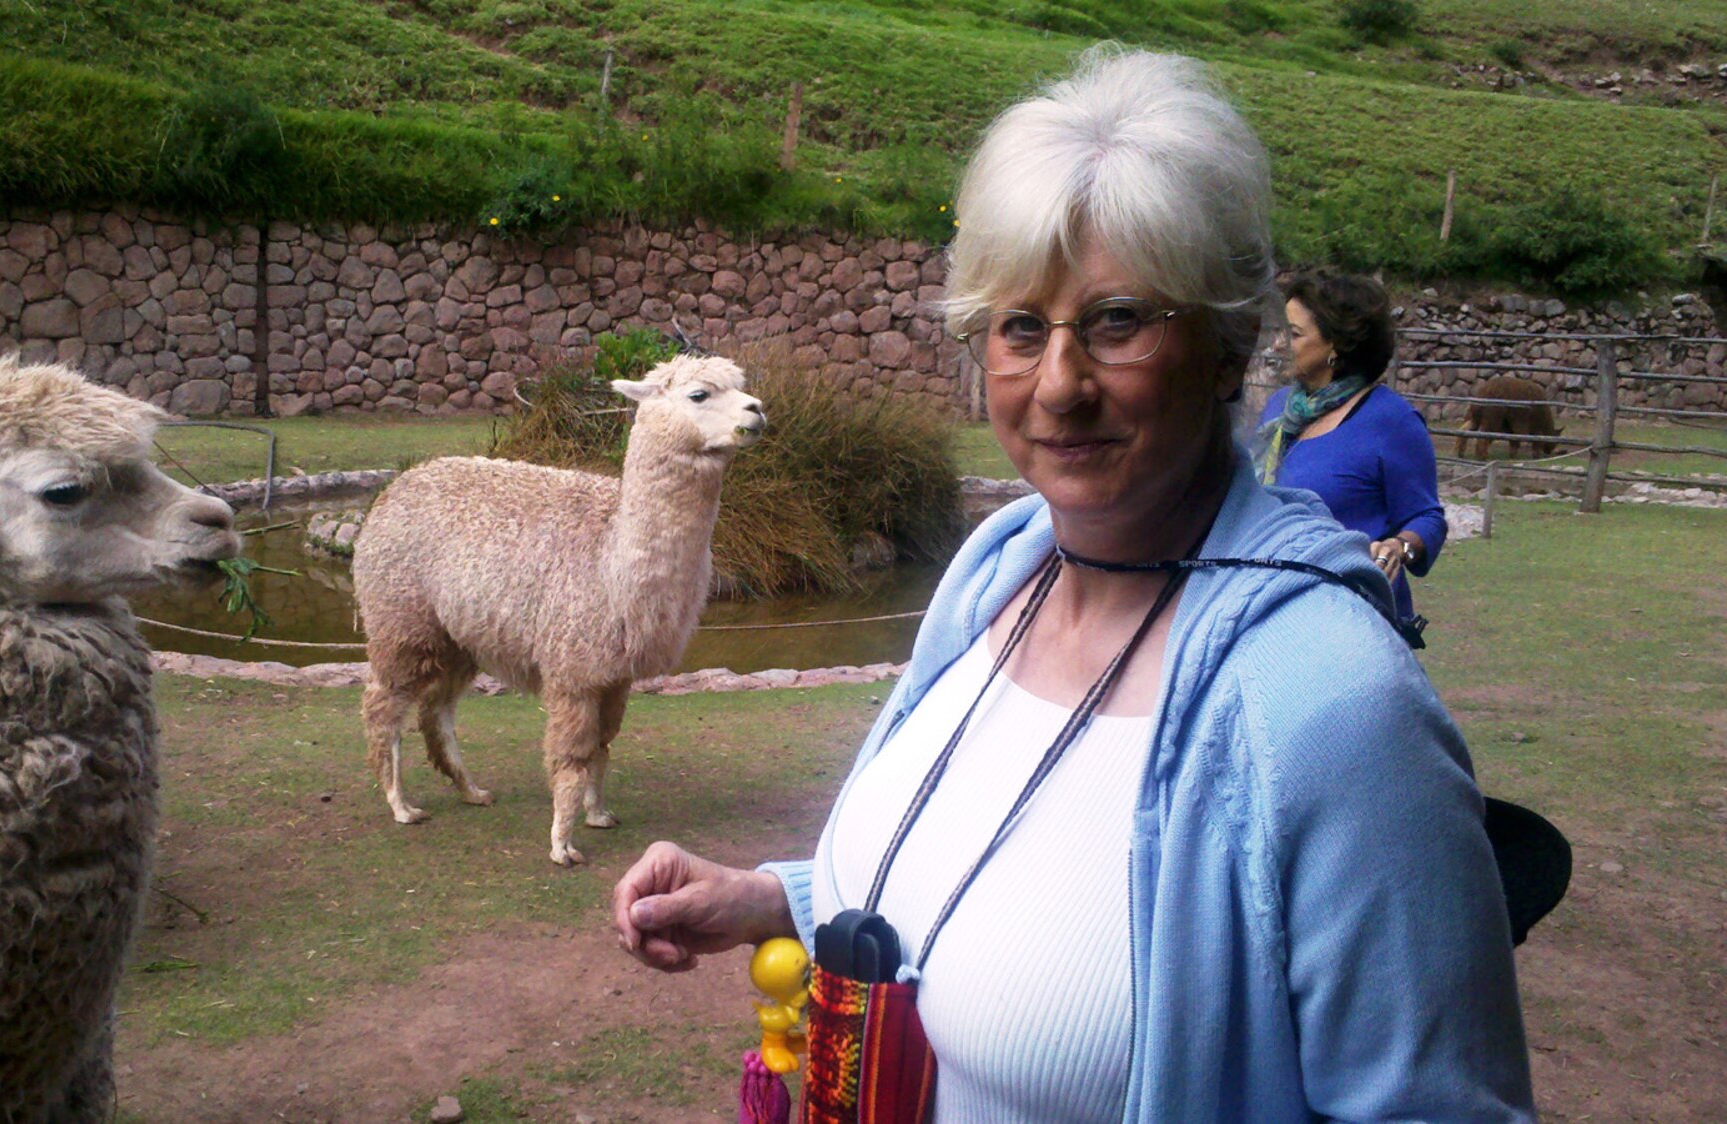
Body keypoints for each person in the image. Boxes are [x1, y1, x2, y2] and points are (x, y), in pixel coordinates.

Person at [611, 46, 1534, 1122]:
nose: (1057, 383)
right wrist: (775, 893)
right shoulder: (1000, 563)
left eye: (1116, 320)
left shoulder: (1335, 708)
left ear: (1228, 345)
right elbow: (988, 863)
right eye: (1018, 326)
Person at [1256, 270, 1448, 623]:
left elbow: (1427, 517)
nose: (1278, 344)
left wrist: (1398, 547)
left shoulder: (1391, 421)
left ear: (1336, 345)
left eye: (1293, 334)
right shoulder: (1277, 411)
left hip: (1354, 617)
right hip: (1272, 606)